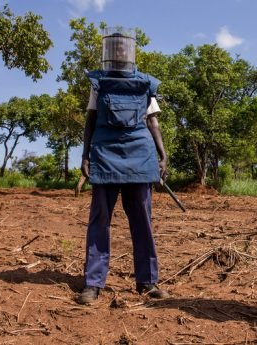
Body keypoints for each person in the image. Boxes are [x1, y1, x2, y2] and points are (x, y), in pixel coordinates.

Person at [75, 28, 169, 304]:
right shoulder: (99, 83)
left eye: (122, 48)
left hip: (140, 156)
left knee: (142, 220)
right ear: (108, 52)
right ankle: (93, 283)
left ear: (130, 52)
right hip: (104, 155)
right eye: (113, 48)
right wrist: (85, 155)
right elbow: (90, 120)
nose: (118, 53)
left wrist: (162, 156)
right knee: (99, 220)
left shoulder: (143, 84)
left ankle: (148, 282)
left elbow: (153, 122)